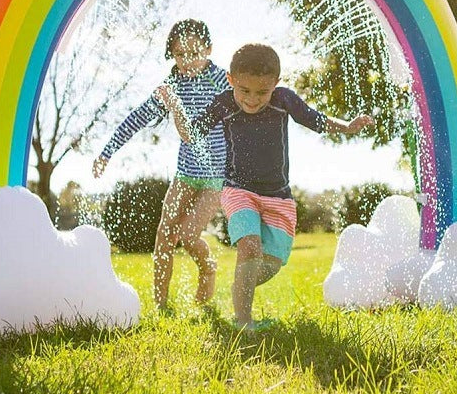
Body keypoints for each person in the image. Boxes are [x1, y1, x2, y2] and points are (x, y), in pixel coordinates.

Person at [157, 43, 373, 330]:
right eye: (244, 90)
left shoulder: (283, 100)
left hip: (278, 197)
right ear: (231, 80)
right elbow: (190, 134)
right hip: (238, 190)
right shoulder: (224, 102)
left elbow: (313, 119)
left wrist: (347, 126)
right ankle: (244, 322)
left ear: (276, 84)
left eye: (262, 92)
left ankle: (239, 285)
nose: (252, 99)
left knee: (269, 265)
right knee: (250, 246)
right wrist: (175, 106)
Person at [90, 19, 229, 311]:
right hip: (185, 175)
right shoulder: (172, 86)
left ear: (209, 49)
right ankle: (160, 306)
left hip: (216, 177)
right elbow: (137, 118)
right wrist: (107, 152)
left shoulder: (220, 79)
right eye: (180, 54)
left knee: (190, 236)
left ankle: (208, 268)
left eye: (194, 52)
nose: (187, 60)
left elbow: (245, 100)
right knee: (165, 233)